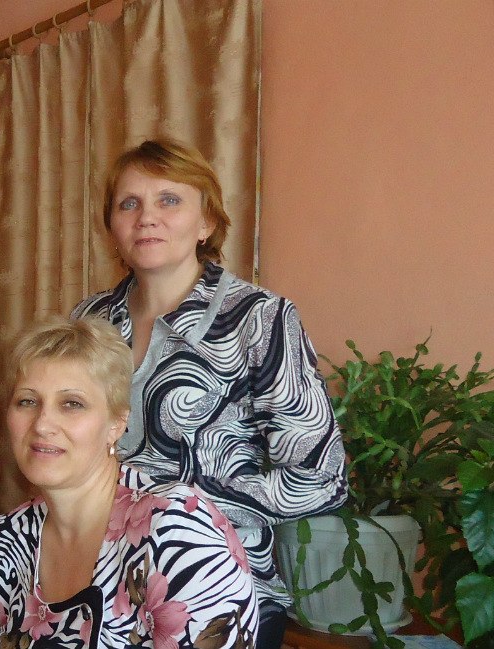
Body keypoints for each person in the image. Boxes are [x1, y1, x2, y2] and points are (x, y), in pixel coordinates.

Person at [70, 139, 347, 647]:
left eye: (169, 200)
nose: (146, 217)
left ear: (207, 223)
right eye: (128, 203)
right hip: (94, 576)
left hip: (218, 584)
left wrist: (179, 509)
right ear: (111, 227)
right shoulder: (88, 322)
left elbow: (320, 478)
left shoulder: (260, 320)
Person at [0, 319, 257, 647]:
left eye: (72, 404)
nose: (43, 424)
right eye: (27, 401)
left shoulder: (179, 528)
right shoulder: (4, 541)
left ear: (116, 423)